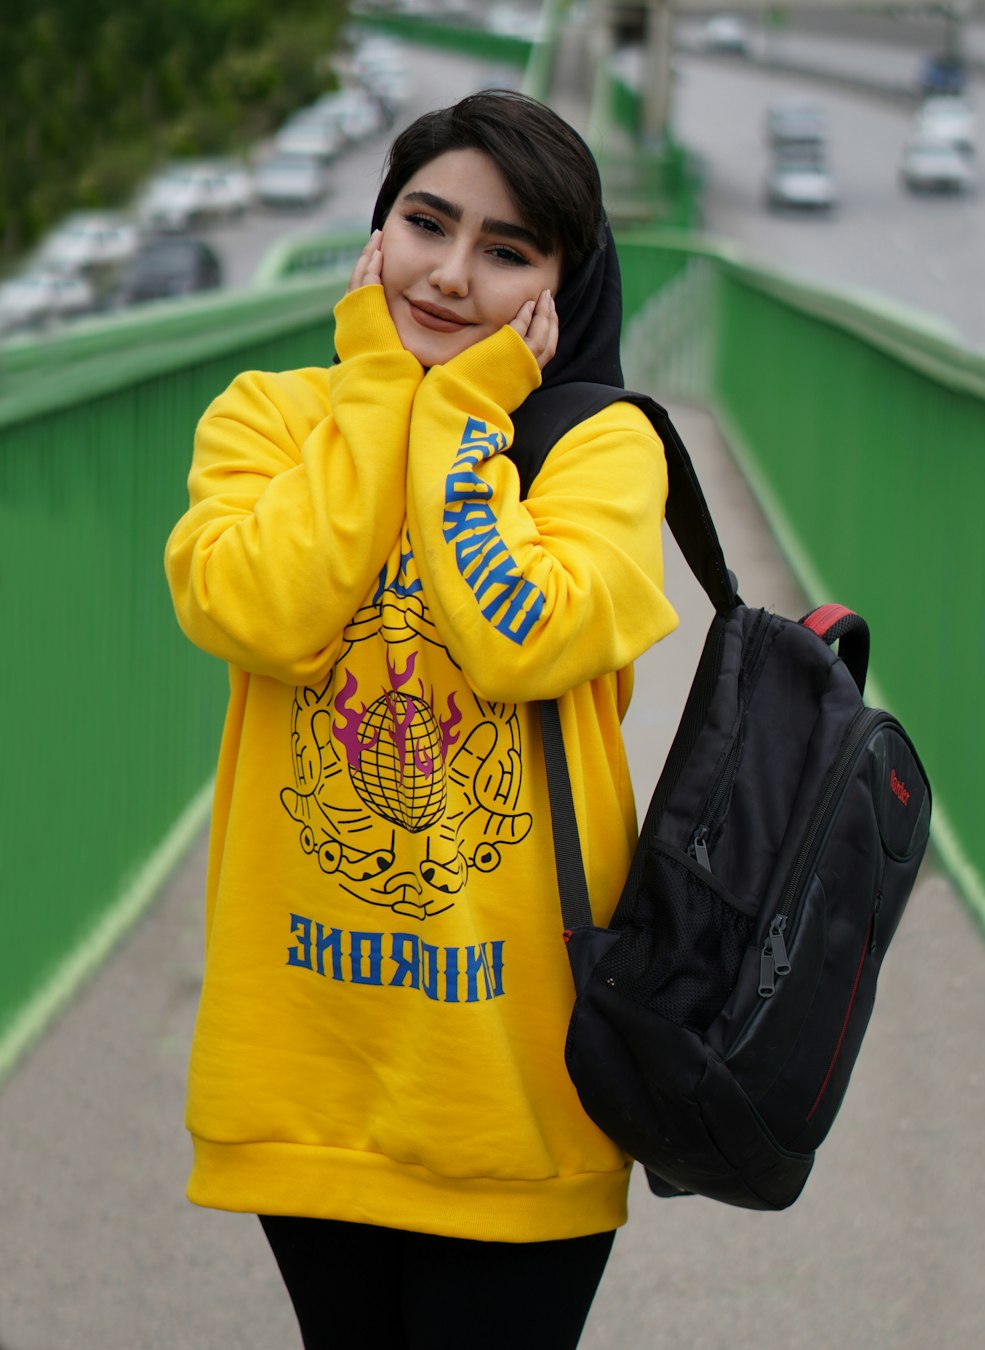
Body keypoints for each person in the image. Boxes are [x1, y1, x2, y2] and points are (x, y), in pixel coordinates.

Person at [164, 88, 678, 1350]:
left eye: (507, 252)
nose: (450, 275)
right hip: (306, 1074)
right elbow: (263, 608)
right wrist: (379, 391)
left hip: (516, 1095)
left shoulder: (601, 452)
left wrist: (457, 418)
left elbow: (526, 636)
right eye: (425, 224)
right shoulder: (268, 420)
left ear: (564, 286)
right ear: (374, 237)